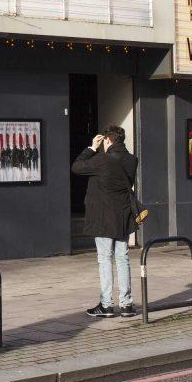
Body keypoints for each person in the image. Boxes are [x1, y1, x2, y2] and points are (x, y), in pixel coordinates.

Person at [72, 125, 139, 318]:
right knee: (122, 258)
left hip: (103, 217)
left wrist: (92, 148)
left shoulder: (101, 159)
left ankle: (107, 305)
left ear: (108, 140)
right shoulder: (131, 159)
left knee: (104, 260)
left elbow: (77, 167)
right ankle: (126, 305)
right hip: (123, 216)